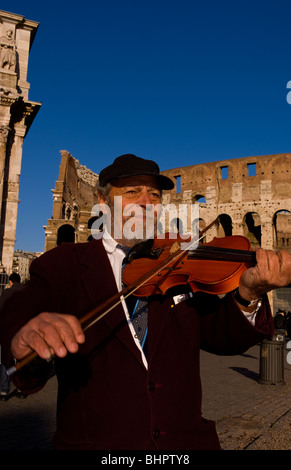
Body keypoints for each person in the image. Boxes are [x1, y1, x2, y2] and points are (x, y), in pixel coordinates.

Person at [0, 153, 290, 450]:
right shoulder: (65, 264)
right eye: (131, 192)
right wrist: (24, 333)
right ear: (102, 202)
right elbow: (19, 304)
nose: (146, 201)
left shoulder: (179, 262)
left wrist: (248, 296)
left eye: (154, 194)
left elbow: (220, 335)